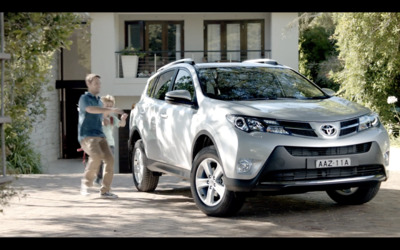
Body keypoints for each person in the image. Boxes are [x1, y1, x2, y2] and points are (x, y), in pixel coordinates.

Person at [78, 73, 125, 199]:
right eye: (96, 83)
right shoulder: (84, 98)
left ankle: (105, 191)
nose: (99, 85)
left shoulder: (99, 101)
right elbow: (90, 109)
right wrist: (108, 110)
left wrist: (107, 117)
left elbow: (104, 116)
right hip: (87, 136)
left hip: (100, 136)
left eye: (99, 83)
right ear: (89, 84)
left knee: (110, 160)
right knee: (97, 156)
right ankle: (86, 184)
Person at [94, 95, 128, 185]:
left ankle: (105, 183)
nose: (109, 107)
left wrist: (123, 119)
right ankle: (98, 177)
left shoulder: (112, 118)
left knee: (108, 164)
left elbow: (122, 124)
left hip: (110, 144)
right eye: (107, 105)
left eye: (110, 106)